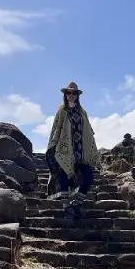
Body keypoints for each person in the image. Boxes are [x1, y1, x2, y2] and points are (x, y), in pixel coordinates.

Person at [45, 81, 99, 217]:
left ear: (77, 95)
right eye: (69, 93)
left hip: (81, 150)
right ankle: (67, 207)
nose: (71, 95)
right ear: (65, 95)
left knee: (88, 176)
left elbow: (89, 130)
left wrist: (91, 147)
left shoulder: (82, 112)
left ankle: (76, 203)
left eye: (74, 93)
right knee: (65, 177)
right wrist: (53, 145)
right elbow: (56, 129)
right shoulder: (62, 111)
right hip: (66, 149)